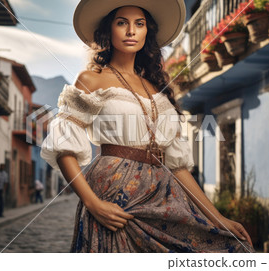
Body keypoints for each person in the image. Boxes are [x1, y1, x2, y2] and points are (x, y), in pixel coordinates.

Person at [41, 0, 255, 252]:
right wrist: (92, 203)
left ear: (146, 32)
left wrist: (218, 218)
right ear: (108, 30)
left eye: (139, 24)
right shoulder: (92, 79)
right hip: (113, 195)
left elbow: (178, 166)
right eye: (122, 23)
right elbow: (64, 148)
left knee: (232, 249)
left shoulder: (157, 88)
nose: (131, 31)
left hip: (163, 196)